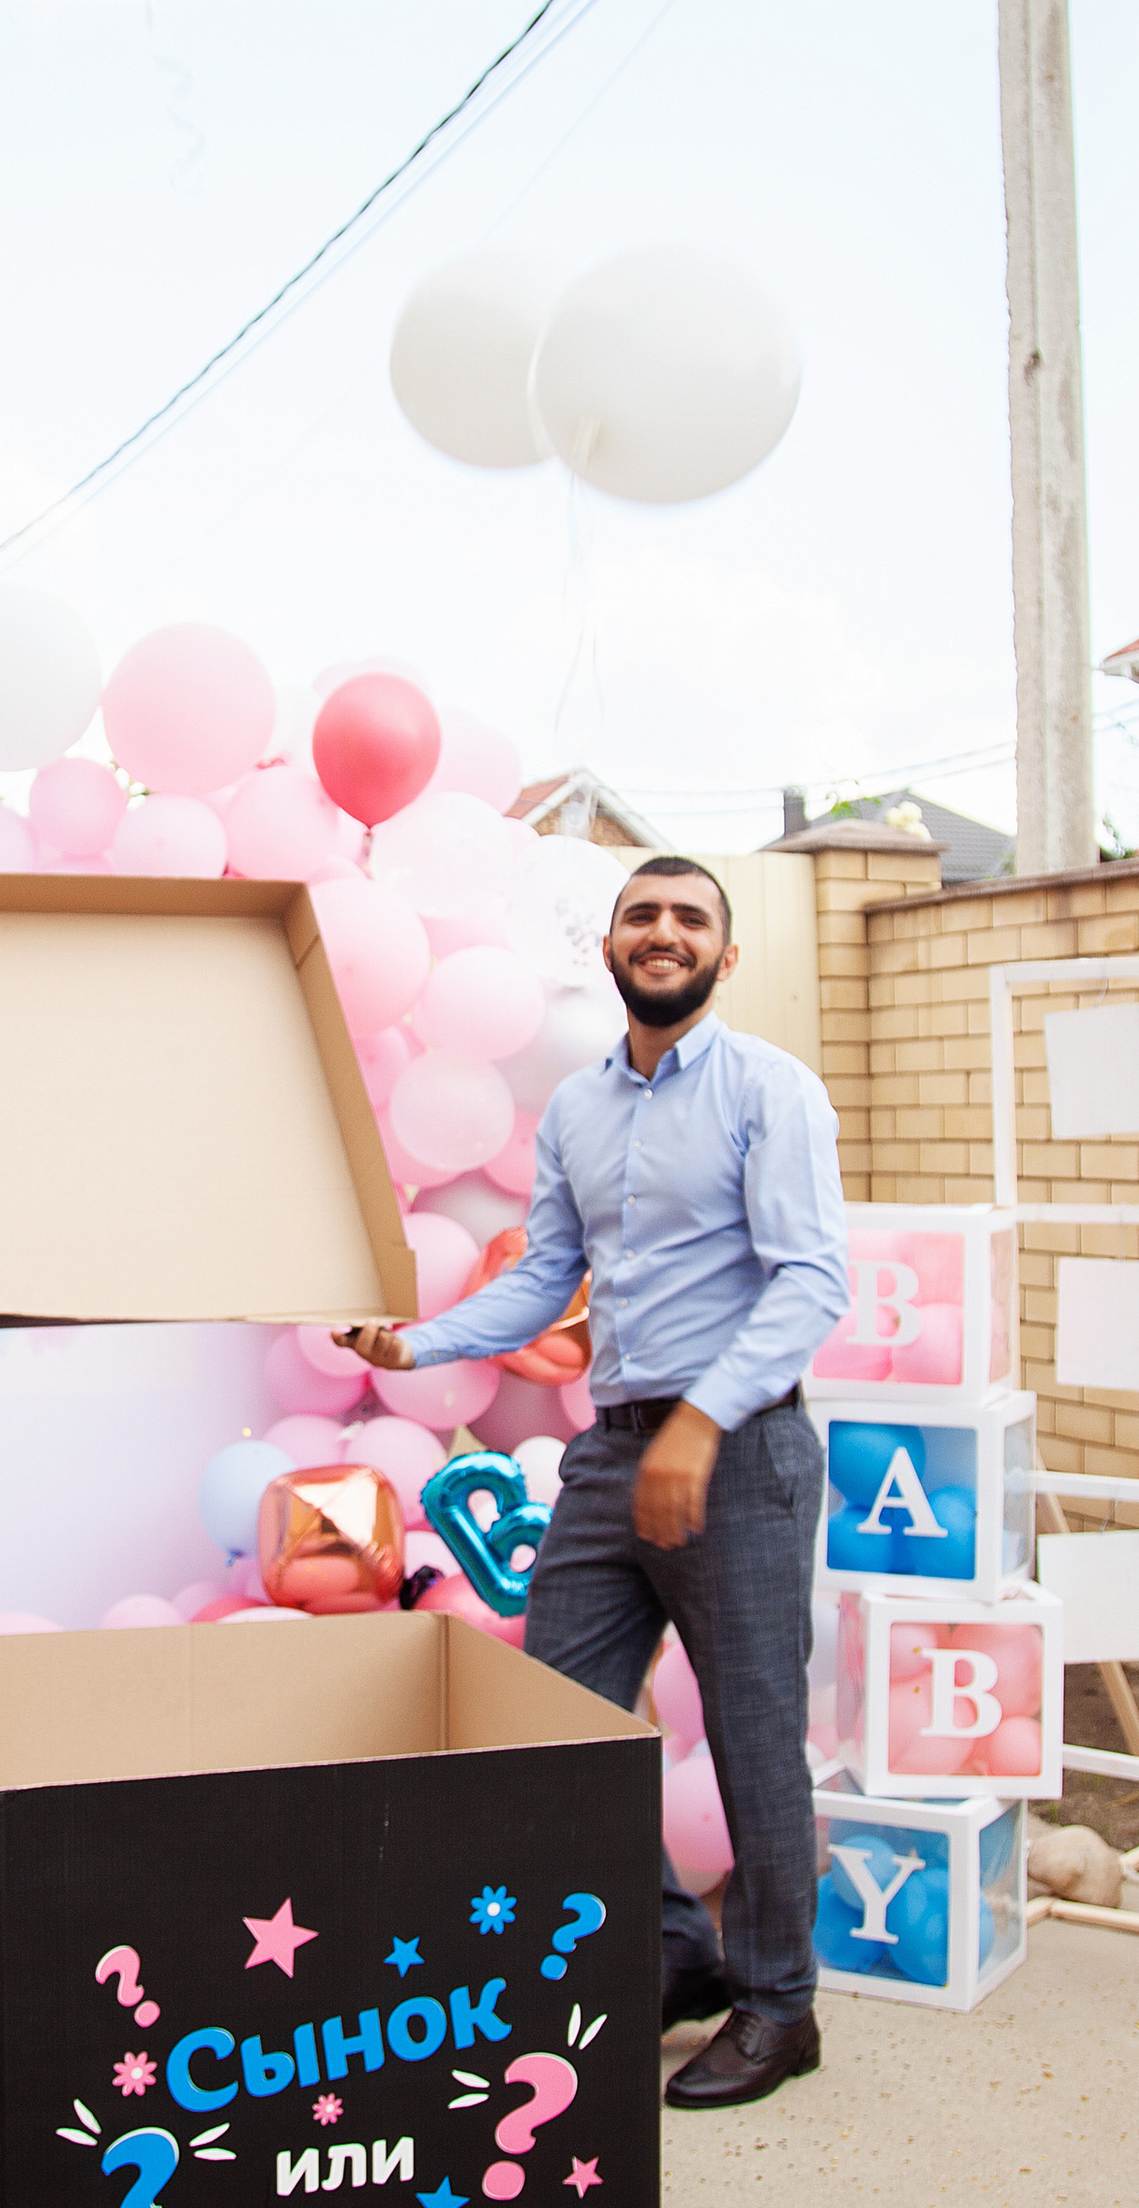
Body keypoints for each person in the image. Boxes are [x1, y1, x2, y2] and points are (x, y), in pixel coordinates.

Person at [341, 856, 847, 2112]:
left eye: (690, 918)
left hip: (738, 1451)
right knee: (553, 1729)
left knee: (749, 1740)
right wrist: (421, 1341)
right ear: (610, 947)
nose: (663, 932)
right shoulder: (577, 1107)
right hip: (613, 1451)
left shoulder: (770, 1091)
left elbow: (810, 1283)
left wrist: (701, 1422)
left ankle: (780, 2004)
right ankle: (678, 1950)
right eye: (642, 915)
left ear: (725, 956)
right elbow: (546, 1278)